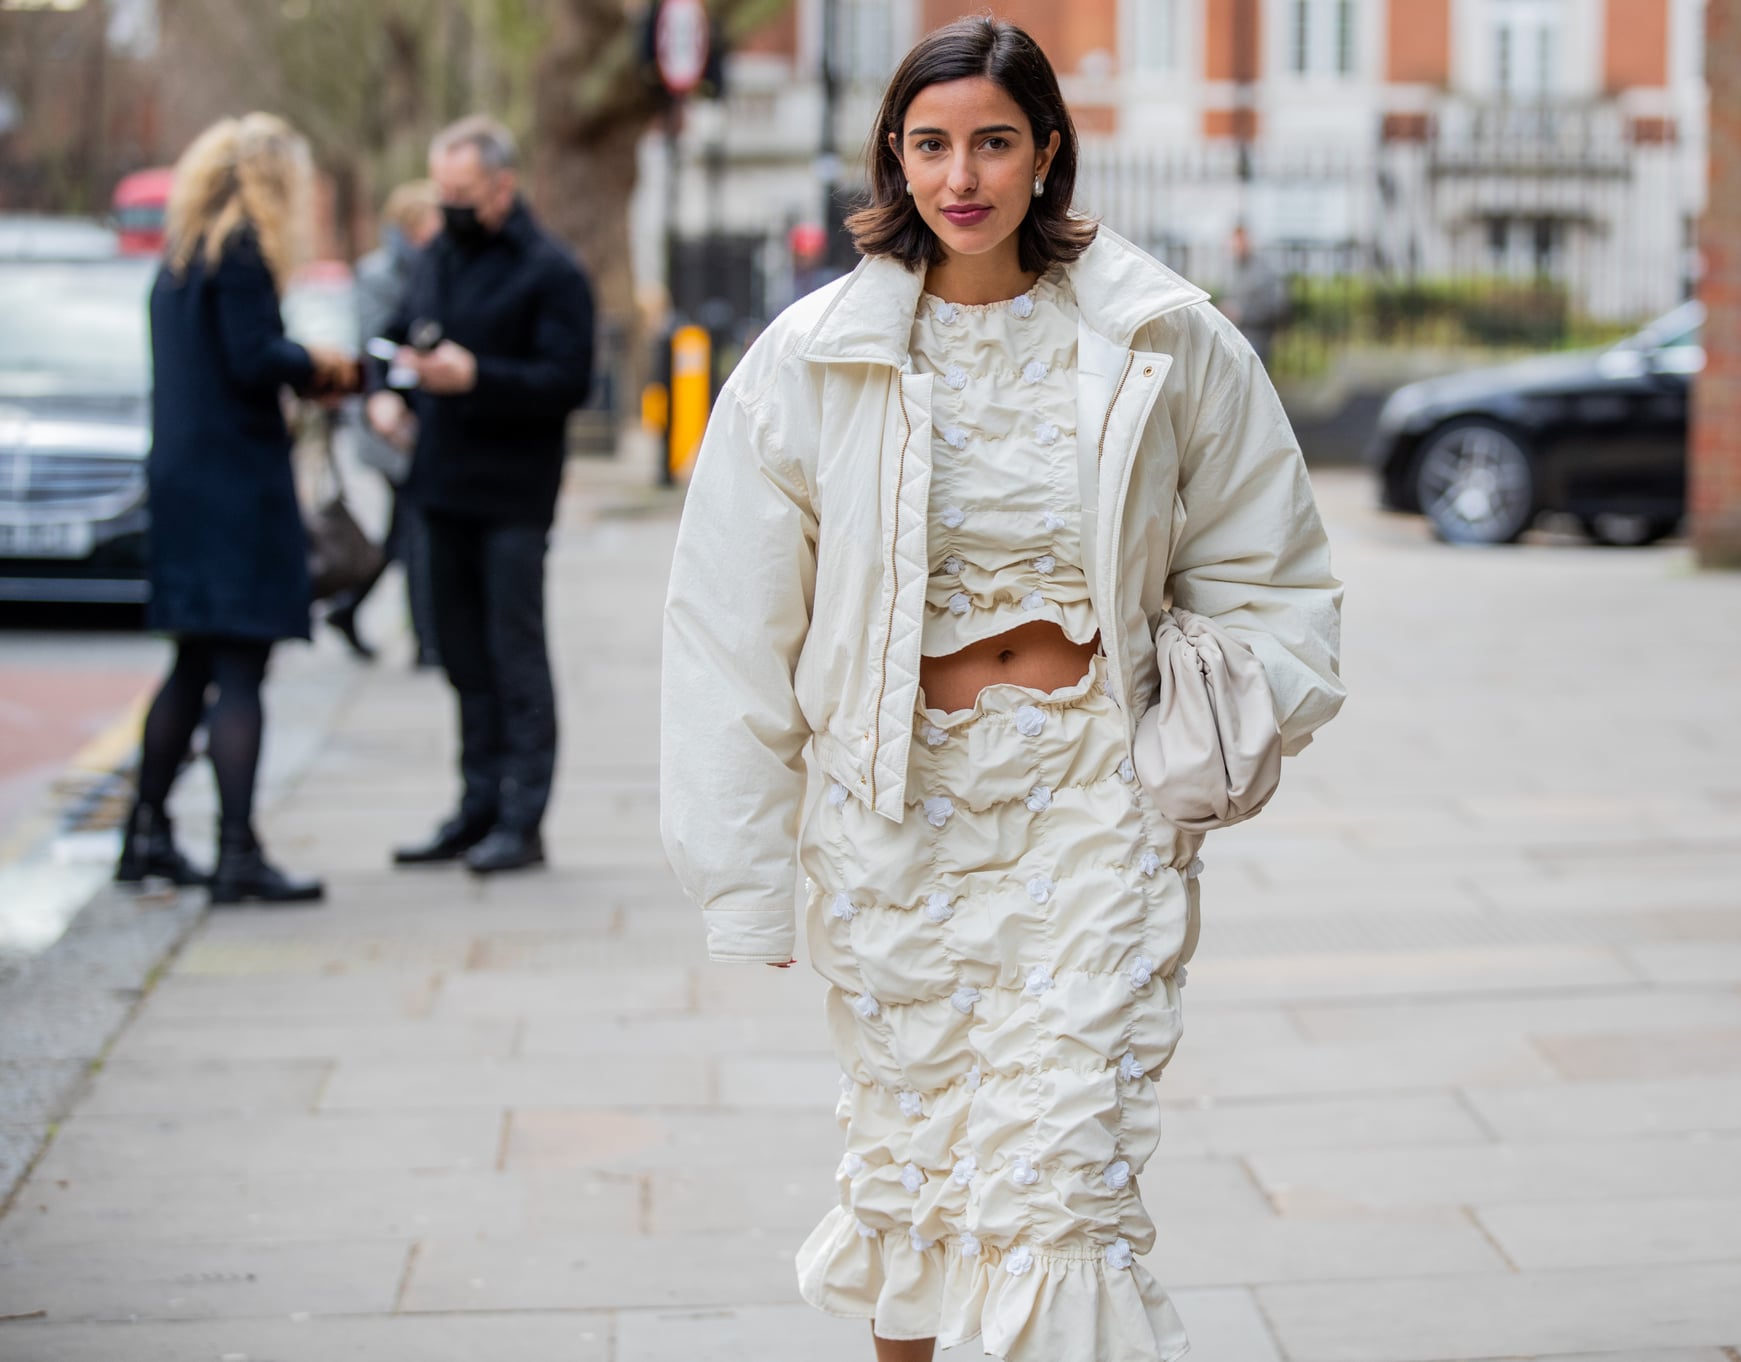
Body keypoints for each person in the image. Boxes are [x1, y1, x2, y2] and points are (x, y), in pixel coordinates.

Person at [660, 19, 1343, 1362]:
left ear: (1047, 153)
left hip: (1093, 803)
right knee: (909, 1168)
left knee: (1064, 1173)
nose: (960, 174)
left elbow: (1270, 554)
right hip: (896, 814)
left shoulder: (1160, 335)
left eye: (991, 141)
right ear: (893, 158)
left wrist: (1229, 717)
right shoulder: (810, 357)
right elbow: (729, 625)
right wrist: (743, 877)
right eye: (930, 143)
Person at [116, 113, 356, 905]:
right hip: (235, 490)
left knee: (192, 662)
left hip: (184, 484)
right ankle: (236, 854)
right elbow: (254, 359)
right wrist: (318, 365)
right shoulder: (243, 253)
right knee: (241, 670)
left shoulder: (181, 260)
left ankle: (145, 835)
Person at [368, 115, 594, 876]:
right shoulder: (438, 255)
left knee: (514, 657)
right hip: (439, 487)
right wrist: (387, 389)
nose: (450, 204)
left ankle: (522, 821)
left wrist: (477, 378)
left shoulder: (551, 271)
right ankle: (475, 807)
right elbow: (396, 334)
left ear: (503, 186)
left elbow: (567, 382)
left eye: (462, 192)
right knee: (462, 658)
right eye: (443, 191)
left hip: (511, 497)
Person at [326, 180, 442, 667]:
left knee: (402, 534)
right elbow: (375, 347)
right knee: (414, 532)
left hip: (420, 422)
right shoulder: (378, 275)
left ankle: (348, 609)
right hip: (388, 424)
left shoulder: (434, 268)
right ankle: (426, 642)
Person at [1217, 224, 1290, 367]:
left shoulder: (1264, 271)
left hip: (1256, 341)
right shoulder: (1232, 271)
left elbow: (1278, 307)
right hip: (1234, 340)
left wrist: (1242, 313)